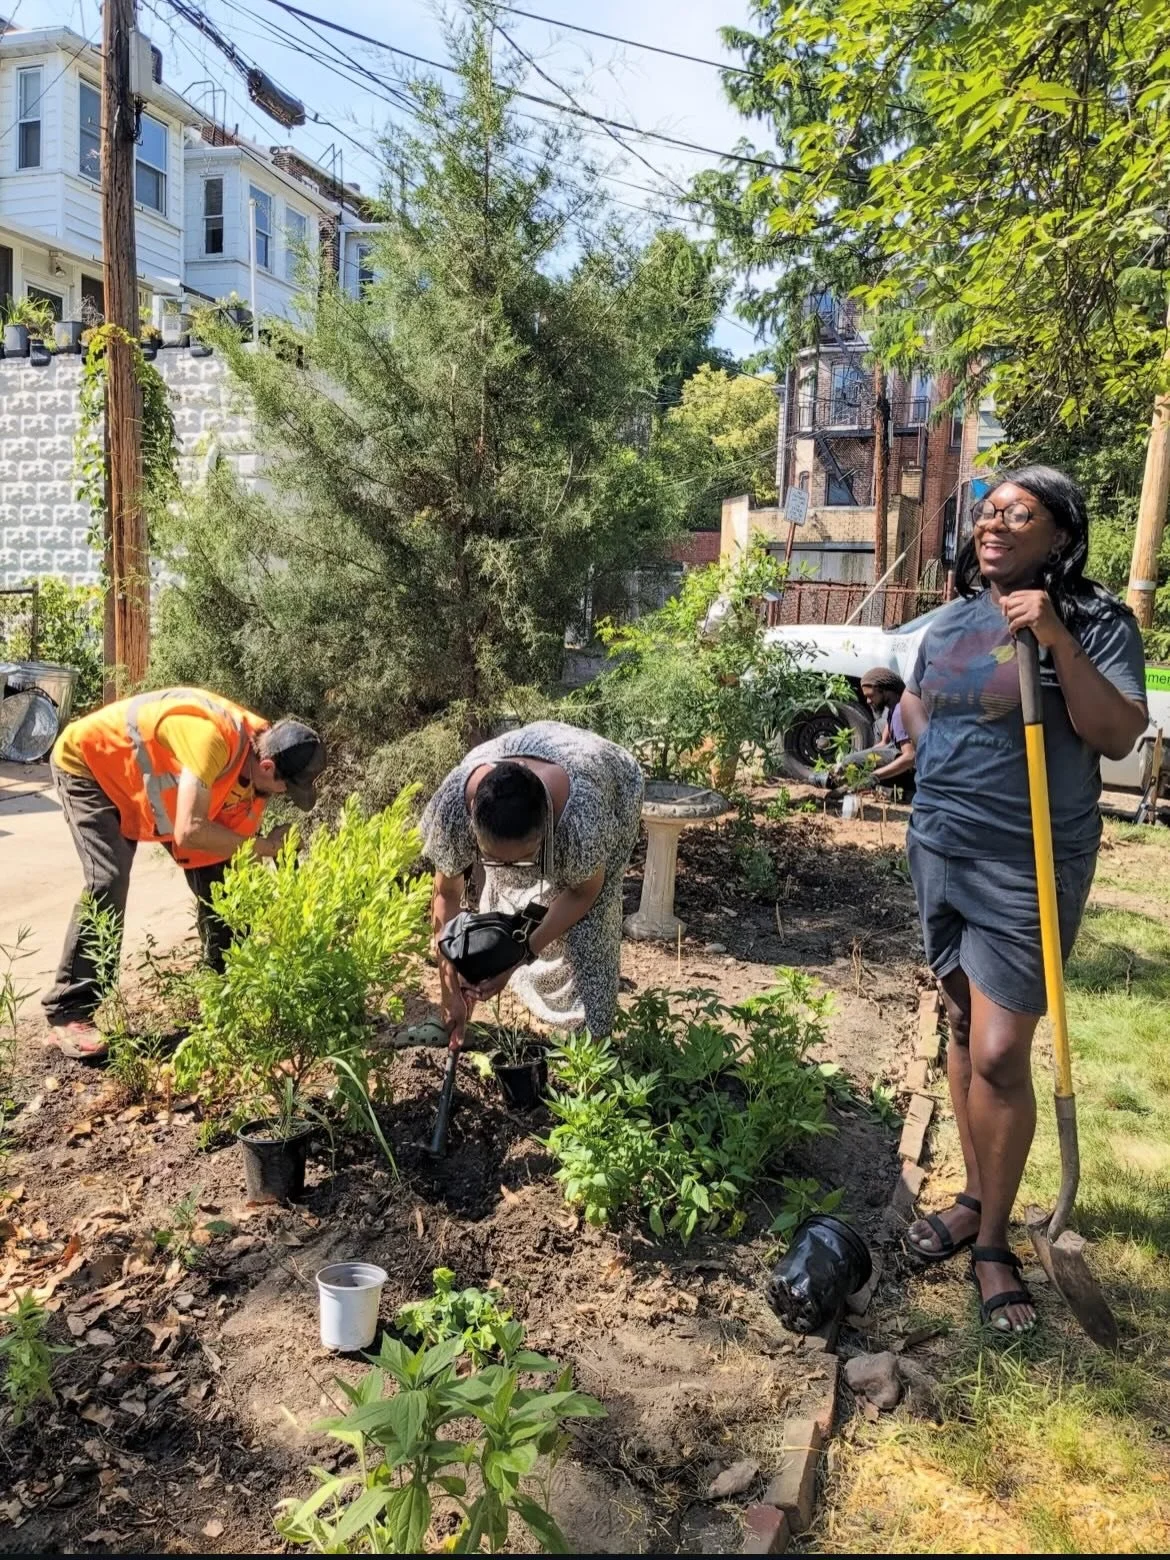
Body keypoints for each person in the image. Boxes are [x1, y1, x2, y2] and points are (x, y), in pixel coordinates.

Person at [900, 467, 1146, 1333]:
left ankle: (994, 1244)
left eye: (1019, 512)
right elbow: (918, 701)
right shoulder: (953, 620)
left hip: (1029, 858)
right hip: (941, 848)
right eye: (987, 512)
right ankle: (977, 1195)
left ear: (1060, 536)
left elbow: (1118, 734)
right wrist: (928, 755)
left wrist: (1054, 638)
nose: (994, 524)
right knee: (964, 1027)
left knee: (1003, 1052)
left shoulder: (1095, 621)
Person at [43, 688, 327, 1061]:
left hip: (139, 787)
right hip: (90, 768)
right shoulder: (211, 740)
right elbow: (190, 831)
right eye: (284, 789)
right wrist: (266, 846)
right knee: (109, 878)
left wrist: (280, 859)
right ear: (269, 768)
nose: (280, 796)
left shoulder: (258, 758)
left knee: (224, 881)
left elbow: (230, 855)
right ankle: (69, 1010)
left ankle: (223, 992)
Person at [422, 721, 644, 1045]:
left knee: (591, 929)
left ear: (546, 828)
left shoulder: (582, 821)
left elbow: (584, 892)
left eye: (524, 857)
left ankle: (592, 1044)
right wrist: (449, 993)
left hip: (609, 776)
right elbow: (446, 895)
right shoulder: (454, 808)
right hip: (527, 762)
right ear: (472, 819)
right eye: (494, 858)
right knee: (510, 898)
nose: (510, 870)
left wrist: (522, 955)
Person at [821, 667, 916, 797]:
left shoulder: (900, 712)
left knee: (850, 761)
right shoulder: (895, 706)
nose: (868, 701)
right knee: (878, 725)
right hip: (907, 761)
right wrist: (861, 758)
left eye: (870, 696)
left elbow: (910, 757)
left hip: (915, 772)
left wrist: (873, 776)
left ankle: (851, 785)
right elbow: (883, 743)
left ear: (884, 691)